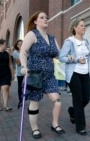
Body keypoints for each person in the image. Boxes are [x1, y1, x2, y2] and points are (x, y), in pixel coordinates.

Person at [19, 11, 65, 139]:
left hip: (49, 76)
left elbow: (60, 55)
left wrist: (70, 57)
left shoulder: (52, 38)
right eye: (42, 18)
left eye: (46, 18)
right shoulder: (32, 34)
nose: (45, 19)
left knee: (57, 101)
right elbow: (23, 52)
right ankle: (35, 129)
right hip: (35, 76)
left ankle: (55, 124)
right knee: (34, 103)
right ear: (35, 21)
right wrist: (24, 67)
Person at [59, 18, 90, 136]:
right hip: (74, 74)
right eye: (81, 25)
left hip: (85, 73)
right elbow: (61, 57)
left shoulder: (86, 42)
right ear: (75, 28)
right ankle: (80, 126)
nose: (84, 27)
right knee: (78, 100)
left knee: (86, 99)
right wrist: (75, 59)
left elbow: (87, 57)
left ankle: (72, 111)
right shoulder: (69, 41)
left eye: (85, 25)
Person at [12, 39, 24, 109]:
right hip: (20, 72)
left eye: (22, 44)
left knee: (28, 86)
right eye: (19, 44)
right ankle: (20, 100)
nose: (20, 45)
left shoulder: (27, 51)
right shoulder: (15, 53)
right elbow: (18, 63)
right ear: (16, 45)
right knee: (20, 86)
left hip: (27, 72)